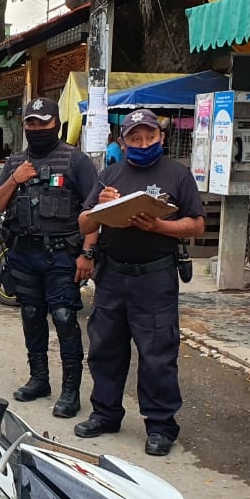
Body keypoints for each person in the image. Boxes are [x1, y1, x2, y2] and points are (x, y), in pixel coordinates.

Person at [74, 109, 205, 457]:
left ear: (161, 137)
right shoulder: (110, 175)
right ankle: (105, 413)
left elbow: (195, 225)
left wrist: (160, 226)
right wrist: (100, 209)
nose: (143, 143)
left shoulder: (177, 175)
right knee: (104, 349)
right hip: (113, 275)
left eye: (149, 137)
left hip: (155, 276)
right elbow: (85, 224)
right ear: (124, 141)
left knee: (157, 354)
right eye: (135, 138)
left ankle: (161, 426)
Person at [0, 97, 98, 417]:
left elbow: (94, 212)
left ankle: (70, 391)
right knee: (31, 316)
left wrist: (88, 254)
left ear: (56, 125)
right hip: (24, 253)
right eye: (31, 123)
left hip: (62, 254)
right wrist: (14, 179)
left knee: (64, 318)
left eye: (43, 123)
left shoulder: (76, 161)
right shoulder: (15, 163)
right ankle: (39, 379)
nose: (36, 129)